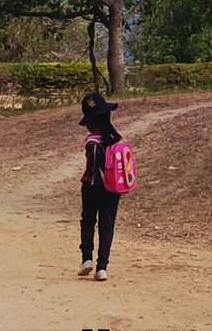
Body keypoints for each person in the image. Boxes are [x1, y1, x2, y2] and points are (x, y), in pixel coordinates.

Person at [77, 91, 123, 281]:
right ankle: (102, 266)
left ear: (89, 123)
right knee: (107, 224)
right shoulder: (116, 140)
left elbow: (93, 165)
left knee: (88, 221)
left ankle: (86, 258)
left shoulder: (91, 143)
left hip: (92, 186)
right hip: (113, 188)